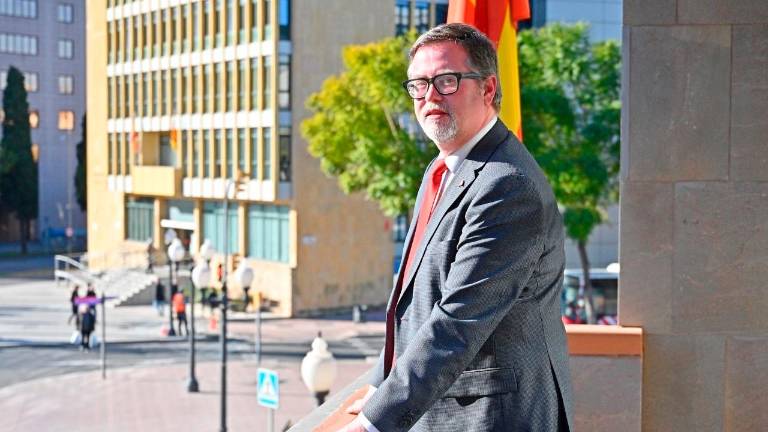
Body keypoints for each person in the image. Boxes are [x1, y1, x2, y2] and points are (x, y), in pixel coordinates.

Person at [341, 23, 573, 432]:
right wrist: (380, 386)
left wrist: (373, 423)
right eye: (418, 84)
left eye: (446, 81)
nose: (429, 96)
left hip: (493, 418)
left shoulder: (506, 185)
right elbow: (414, 304)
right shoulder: (443, 168)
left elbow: (456, 323)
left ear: (487, 89)